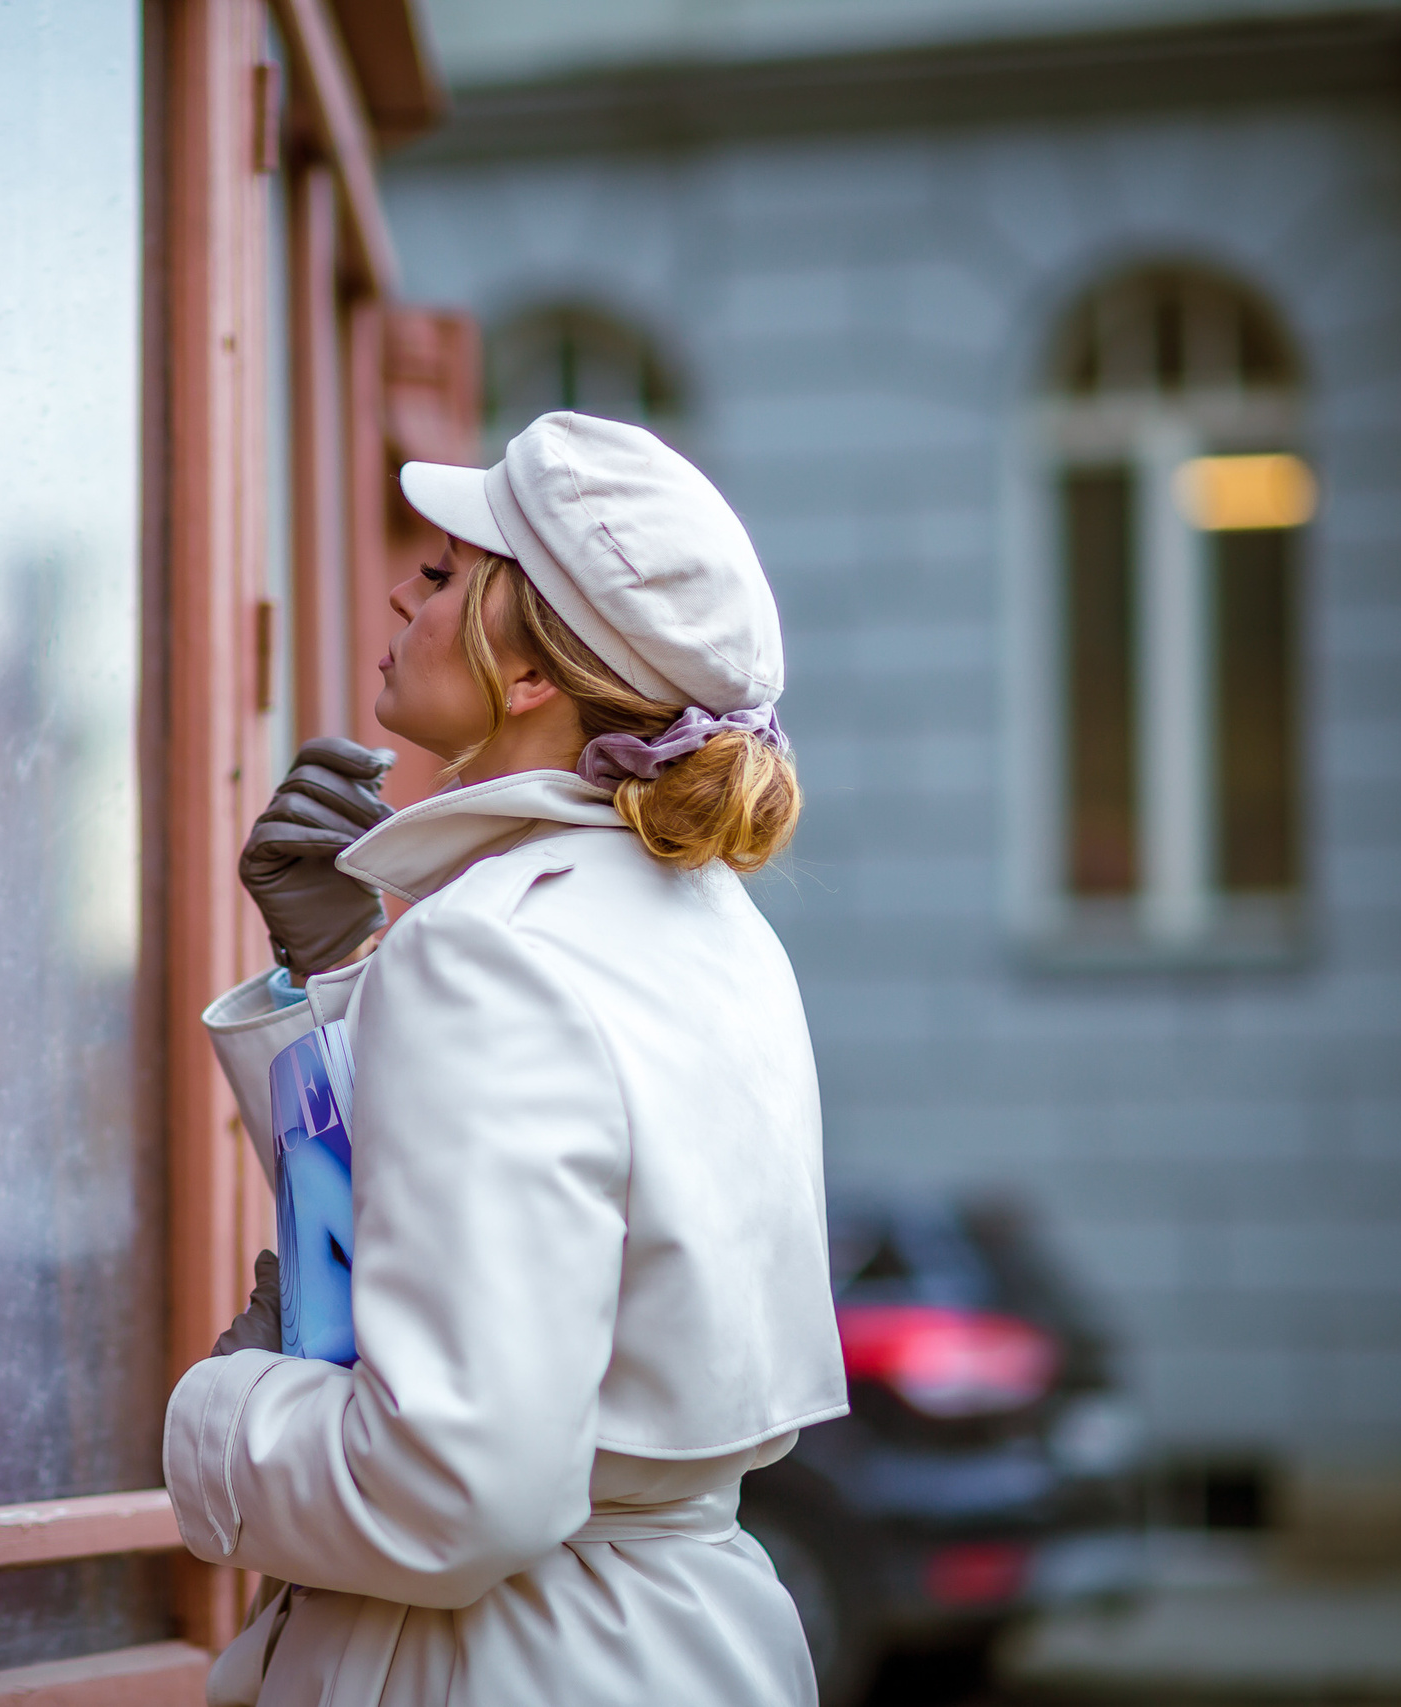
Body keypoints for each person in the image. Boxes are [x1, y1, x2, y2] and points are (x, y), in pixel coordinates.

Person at [166, 413, 847, 1704]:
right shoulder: (712, 927)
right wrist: (331, 981)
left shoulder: (491, 949)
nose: (399, 592)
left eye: (439, 578)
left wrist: (219, 1406)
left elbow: (454, 1489)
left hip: (503, 1664)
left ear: (530, 676)